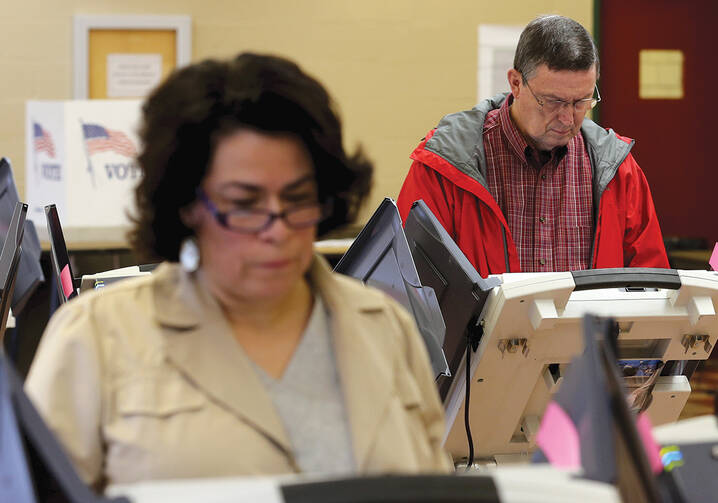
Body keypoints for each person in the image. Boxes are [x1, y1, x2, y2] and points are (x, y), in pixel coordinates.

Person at [25, 53, 451, 489]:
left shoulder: (384, 329)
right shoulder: (98, 337)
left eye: (298, 199)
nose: (277, 229)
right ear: (187, 206)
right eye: (244, 205)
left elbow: (434, 489)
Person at [397, 15, 669, 277]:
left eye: (581, 102)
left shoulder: (618, 172)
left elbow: (653, 288)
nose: (567, 118)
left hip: (589, 326)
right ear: (515, 83)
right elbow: (410, 289)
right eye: (553, 101)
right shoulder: (445, 167)